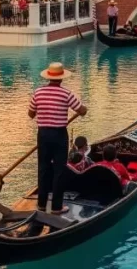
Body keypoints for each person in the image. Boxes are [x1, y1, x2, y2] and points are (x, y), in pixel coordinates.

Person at [29, 62, 88, 214]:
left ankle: (41, 205)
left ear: (48, 77)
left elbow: (31, 114)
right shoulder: (66, 94)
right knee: (59, 171)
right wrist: (84, 109)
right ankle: (56, 207)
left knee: (43, 169)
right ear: (61, 79)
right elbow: (81, 110)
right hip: (59, 134)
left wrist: (43, 112)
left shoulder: (38, 92)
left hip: (42, 134)